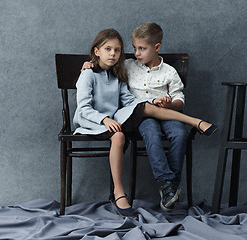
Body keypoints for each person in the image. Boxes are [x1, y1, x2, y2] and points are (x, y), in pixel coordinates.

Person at [74, 28, 217, 218]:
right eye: (108, 49)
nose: (113, 54)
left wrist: (150, 103)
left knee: (125, 132)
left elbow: (128, 100)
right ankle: (195, 122)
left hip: (117, 118)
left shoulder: (118, 74)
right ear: (96, 51)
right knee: (135, 124)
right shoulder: (89, 74)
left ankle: (127, 192)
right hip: (92, 120)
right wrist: (103, 118)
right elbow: (83, 108)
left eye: (117, 50)